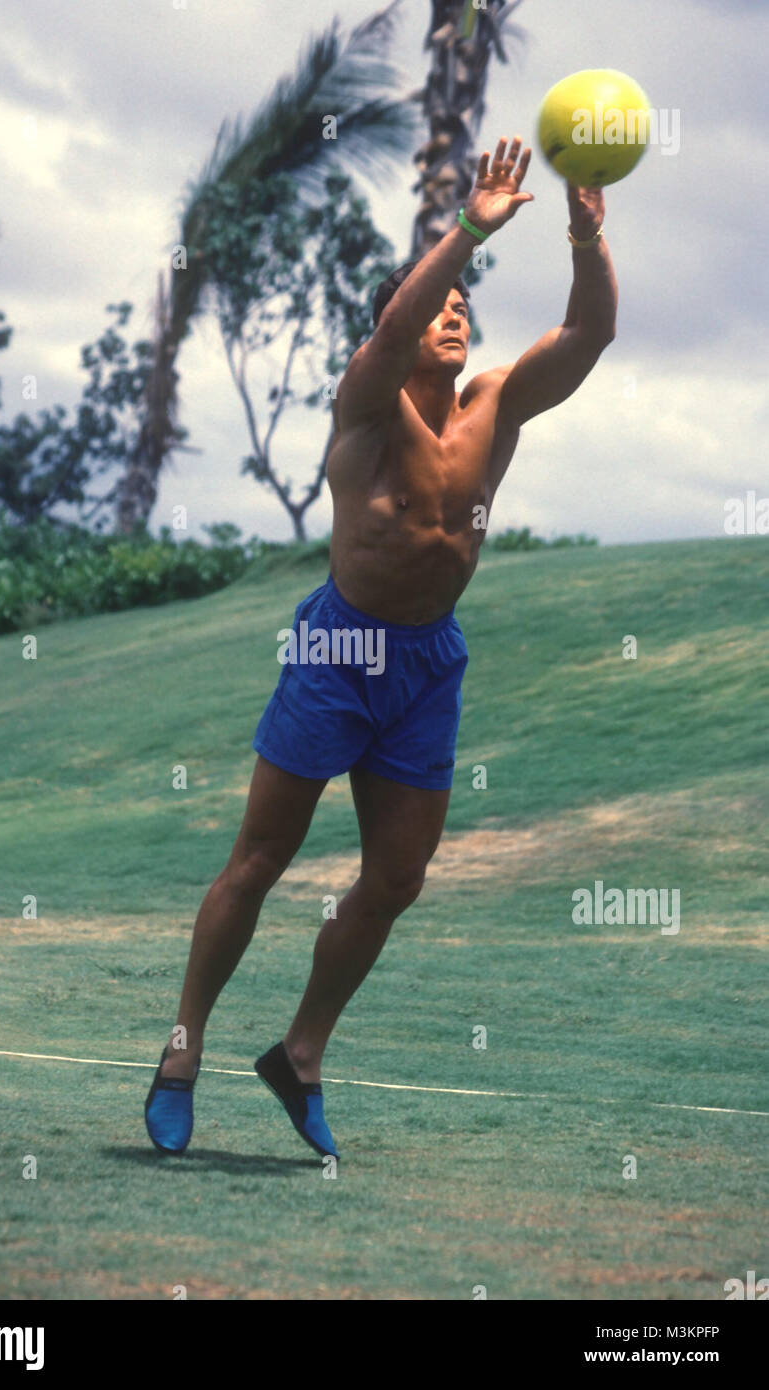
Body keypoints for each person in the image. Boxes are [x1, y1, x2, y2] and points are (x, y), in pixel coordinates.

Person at [145, 135, 617, 1159]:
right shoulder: (365, 406)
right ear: (394, 327)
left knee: (397, 879)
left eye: (462, 309)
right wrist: (467, 235)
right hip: (338, 649)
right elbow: (404, 316)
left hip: (426, 661)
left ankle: (300, 1053)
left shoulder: (495, 407)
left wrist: (583, 229)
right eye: (433, 306)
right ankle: (181, 1048)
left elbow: (587, 333)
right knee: (261, 858)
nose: (451, 316)